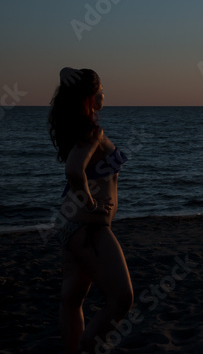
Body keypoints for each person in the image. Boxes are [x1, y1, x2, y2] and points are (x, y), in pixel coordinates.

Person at [48, 67, 133, 353]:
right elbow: (74, 171)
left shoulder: (78, 127)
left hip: (70, 226)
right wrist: (91, 204)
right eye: (101, 90)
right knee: (122, 298)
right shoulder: (91, 132)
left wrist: (64, 72)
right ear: (90, 97)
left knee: (72, 299)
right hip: (88, 228)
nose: (104, 94)